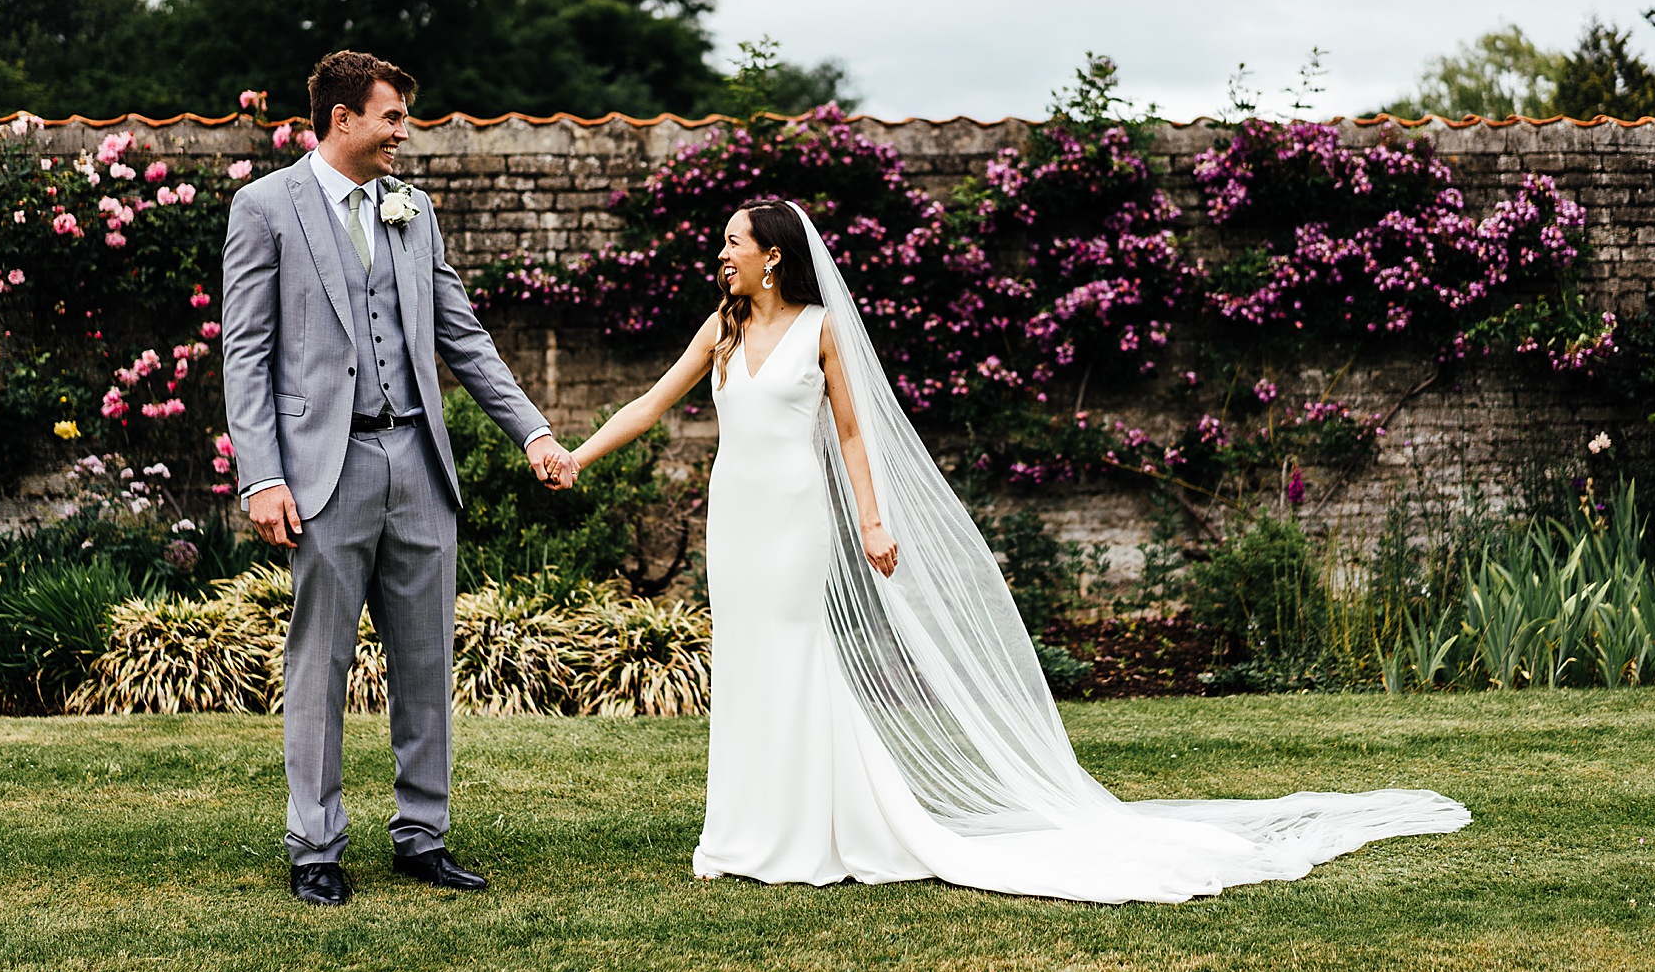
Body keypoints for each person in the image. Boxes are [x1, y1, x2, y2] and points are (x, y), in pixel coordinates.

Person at [569, 198, 1470, 903]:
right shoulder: (722, 330)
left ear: (773, 255)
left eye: (733, 241)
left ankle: (814, 832)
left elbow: (851, 438)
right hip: (736, 522)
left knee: (802, 662)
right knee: (749, 666)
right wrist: (576, 454)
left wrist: (874, 522)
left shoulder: (820, 329)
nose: (720, 252)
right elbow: (648, 407)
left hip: (798, 522)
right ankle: (740, 831)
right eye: (721, 240)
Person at [222, 50, 577, 906]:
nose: (402, 132)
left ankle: (423, 835)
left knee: (425, 661)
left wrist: (530, 428)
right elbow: (246, 351)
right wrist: (261, 475)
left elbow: (464, 336)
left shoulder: (413, 213)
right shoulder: (264, 207)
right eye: (391, 117)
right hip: (323, 473)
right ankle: (315, 845)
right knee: (321, 660)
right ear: (342, 119)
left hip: (418, 461)